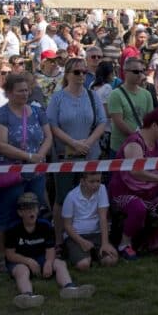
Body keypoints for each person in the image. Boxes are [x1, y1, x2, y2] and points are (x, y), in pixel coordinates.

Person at [0, 73, 53, 273]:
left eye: (27, 90)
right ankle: (3, 254)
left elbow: (48, 136)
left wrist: (40, 156)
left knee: (35, 208)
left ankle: (30, 248)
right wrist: (29, 157)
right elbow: (0, 145)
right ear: (9, 93)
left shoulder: (38, 111)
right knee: (7, 212)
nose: (25, 94)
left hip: (35, 172)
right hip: (10, 173)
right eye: (20, 91)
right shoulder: (1, 115)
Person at [47, 57, 107, 248]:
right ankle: (59, 241)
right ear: (67, 74)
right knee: (62, 197)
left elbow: (102, 122)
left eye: (84, 72)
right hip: (65, 156)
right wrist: (73, 143)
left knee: (90, 194)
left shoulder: (93, 96)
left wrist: (88, 143)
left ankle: (86, 235)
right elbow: (52, 125)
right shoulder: (57, 98)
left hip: (89, 154)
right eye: (77, 72)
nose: (82, 75)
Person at [108, 108, 158, 260]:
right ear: (154, 125)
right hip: (125, 192)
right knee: (138, 207)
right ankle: (124, 244)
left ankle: (157, 239)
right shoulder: (135, 142)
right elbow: (136, 171)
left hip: (149, 193)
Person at [5, 191, 95, 309]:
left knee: (60, 263)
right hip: (20, 260)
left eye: (34, 208)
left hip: (40, 257)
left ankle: (69, 288)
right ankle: (27, 296)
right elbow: (10, 255)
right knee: (22, 271)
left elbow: (50, 249)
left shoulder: (45, 225)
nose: (31, 212)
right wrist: (29, 261)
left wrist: (48, 262)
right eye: (27, 209)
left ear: (38, 210)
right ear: (20, 212)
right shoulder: (13, 229)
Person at [60, 171, 118, 271]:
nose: (96, 185)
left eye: (98, 181)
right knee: (83, 265)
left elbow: (103, 218)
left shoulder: (102, 189)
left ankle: (92, 254)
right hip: (77, 235)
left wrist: (105, 243)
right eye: (92, 181)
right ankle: (88, 255)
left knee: (111, 260)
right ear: (82, 181)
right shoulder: (71, 196)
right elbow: (67, 225)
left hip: (96, 233)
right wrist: (81, 241)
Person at [107, 57, 156, 155]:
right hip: (120, 147)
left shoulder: (147, 94)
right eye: (136, 72)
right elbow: (118, 122)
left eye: (142, 71)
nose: (140, 75)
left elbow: (150, 119)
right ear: (125, 72)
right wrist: (137, 137)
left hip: (141, 146)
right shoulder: (115, 94)